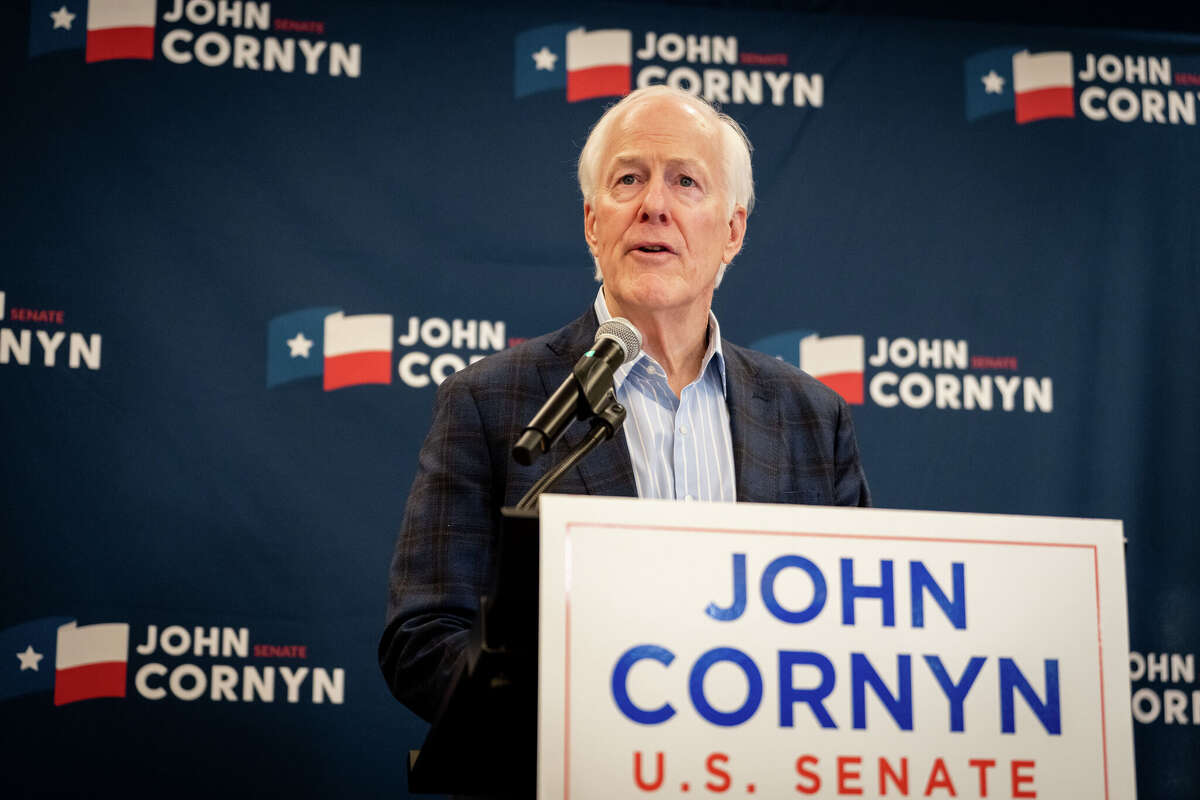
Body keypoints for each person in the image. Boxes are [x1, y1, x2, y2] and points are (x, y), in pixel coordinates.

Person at [379, 85, 870, 722]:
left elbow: (858, 639)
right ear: (592, 222)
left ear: (732, 230)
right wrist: (591, 708)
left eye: (686, 182)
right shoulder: (490, 401)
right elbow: (423, 640)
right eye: (629, 179)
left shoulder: (813, 420)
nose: (654, 206)